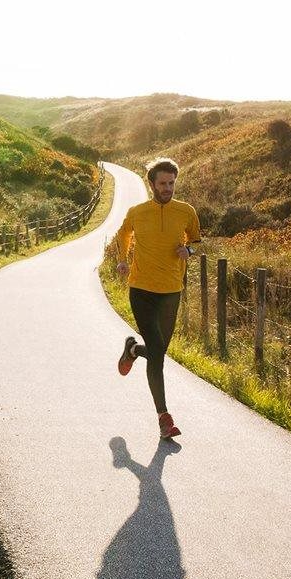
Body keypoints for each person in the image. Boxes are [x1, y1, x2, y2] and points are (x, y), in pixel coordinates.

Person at [109, 158, 200, 439]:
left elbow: (196, 241)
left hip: (171, 291)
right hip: (142, 289)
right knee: (158, 352)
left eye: (172, 183)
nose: (168, 188)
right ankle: (164, 417)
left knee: (158, 351)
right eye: (163, 183)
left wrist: (189, 252)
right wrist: (123, 259)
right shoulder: (138, 212)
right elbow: (123, 234)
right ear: (152, 184)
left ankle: (134, 350)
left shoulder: (186, 211)